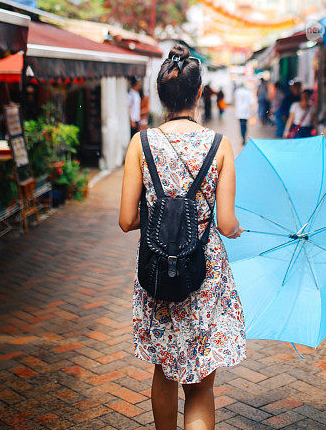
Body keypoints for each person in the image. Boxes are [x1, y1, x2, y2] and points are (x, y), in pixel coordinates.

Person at [119, 43, 246, 430]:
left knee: (164, 370)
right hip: (203, 273)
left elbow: (126, 220)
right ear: (199, 93)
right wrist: (233, 226)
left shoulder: (140, 144)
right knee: (201, 385)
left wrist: (161, 218)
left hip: (158, 269)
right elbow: (225, 224)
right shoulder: (220, 146)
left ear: (161, 95)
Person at [234, 81, 255, 145]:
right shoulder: (248, 92)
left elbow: (235, 100)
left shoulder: (237, 92)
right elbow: (251, 102)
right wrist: (252, 112)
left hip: (239, 111)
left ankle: (242, 137)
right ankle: (244, 137)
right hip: (246, 111)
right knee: (245, 125)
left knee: (241, 125)